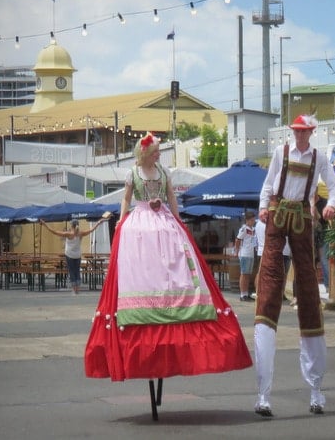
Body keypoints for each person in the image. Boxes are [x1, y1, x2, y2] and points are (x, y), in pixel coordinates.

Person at [84, 132, 252, 385]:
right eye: (155, 151)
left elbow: (172, 196)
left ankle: (174, 295)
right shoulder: (133, 173)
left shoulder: (163, 172)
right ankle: (147, 295)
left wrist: (176, 217)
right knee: (141, 260)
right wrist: (121, 218)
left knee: (174, 257)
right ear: (145, 153)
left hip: (162, 218)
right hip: (141, 220)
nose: (158, 154)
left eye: (158, 151)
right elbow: (127, 198)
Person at [254, 114, 335, 417]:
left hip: (303, 219)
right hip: (278, 217)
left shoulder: (319, 157)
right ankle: (263, 395)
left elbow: (334, 185)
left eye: (305, 132)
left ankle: (316, 390)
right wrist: (263, 209)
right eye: (297, 132)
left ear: (312, 132)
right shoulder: (281, 153)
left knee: (308, 291)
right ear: (293, 132)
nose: (300, 136)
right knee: (269, 289)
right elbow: (267, 185)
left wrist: (331, 205)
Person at [39, 217, 108, 295]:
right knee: (77, 271)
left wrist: (45, 224)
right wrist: (98, 222)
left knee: (72, 271)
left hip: (69, 255)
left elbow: (54, 232)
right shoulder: (81, 233)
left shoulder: (68, 234)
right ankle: (78, 289)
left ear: (71, 225)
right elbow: (91, 230)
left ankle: (74, 290)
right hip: (77, 255)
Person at [235, 211, 257, 302]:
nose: (253, 221)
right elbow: (238, 239)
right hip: (244, 253)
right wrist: (237, 250)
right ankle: (242, 294)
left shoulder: (253, 229)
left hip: (251, 253)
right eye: (251, 220)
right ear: (247, 220)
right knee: (244, 274)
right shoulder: (244, 229)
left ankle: (246, 293)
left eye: (254, 220)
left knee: (248, 275)